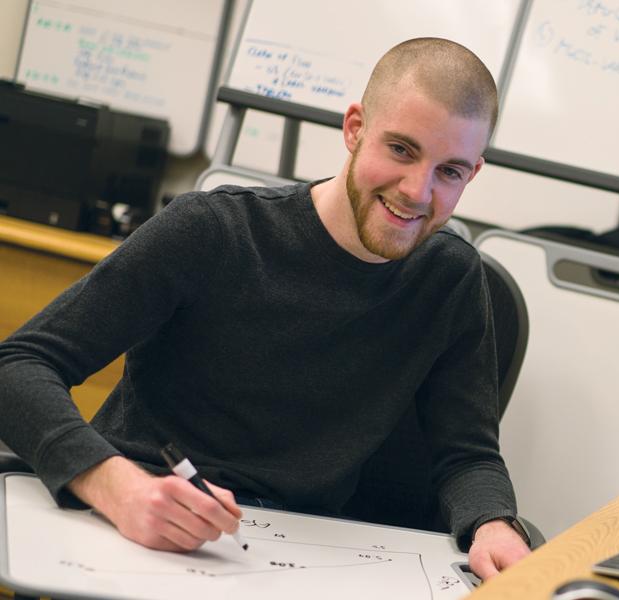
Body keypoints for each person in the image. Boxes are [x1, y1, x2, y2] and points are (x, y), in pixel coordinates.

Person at [0, 37, 530, 580]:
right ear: (355, 128)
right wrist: (112, 484)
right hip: (141, 528)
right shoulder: (213, 232)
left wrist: (492, 524)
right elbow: (17, 367)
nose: (418, 191)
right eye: (401, 149)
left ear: (474, 173)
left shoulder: (451, 279)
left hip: (297, 559)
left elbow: (468, 456)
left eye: (450, 172)